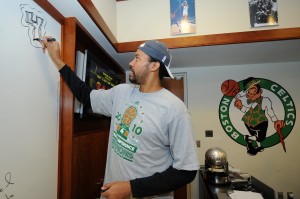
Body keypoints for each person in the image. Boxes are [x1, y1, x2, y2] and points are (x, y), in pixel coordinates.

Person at [41, 38, 200, 199]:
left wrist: (132, 188)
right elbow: (86, 95)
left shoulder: (175, 109)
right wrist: (57, 59)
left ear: (154, 66)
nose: (131, 63)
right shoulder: (121, 92)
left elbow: (186, 171)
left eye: (137, 58)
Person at [234, 77, 285, 155]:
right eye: (248, 92)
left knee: (259, 137)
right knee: (259, 137)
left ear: (259, 90)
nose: (250, 94)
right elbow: (247, 110)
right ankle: (249, 140)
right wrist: (240, 107)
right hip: (249, 122)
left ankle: (255, 144)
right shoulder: (251, 102)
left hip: (260, 121)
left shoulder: (265, 100)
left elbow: (270, 111)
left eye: (253, 89)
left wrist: (275, 120)